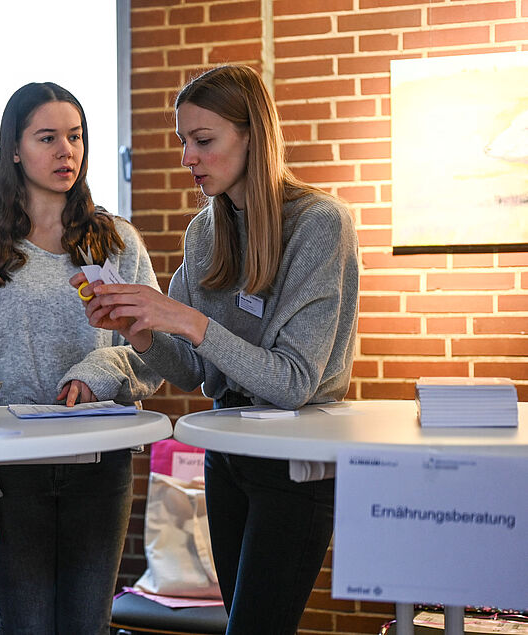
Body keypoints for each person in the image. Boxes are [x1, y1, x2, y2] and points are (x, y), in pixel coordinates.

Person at [78, 65, 359, 634]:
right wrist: (140, 331)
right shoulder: (204, 231)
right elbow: (191, 372)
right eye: (184, 140)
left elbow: (291, 384)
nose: (188, 157)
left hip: (297, 463)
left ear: (253, 135)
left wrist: (187, 319)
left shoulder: (319, 225)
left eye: (203, 140)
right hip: (228, 452)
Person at [0, 82, 163, 634]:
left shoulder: (118, 242)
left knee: (87, 626)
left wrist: (98, 370)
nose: (67, 151)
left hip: (99, 466)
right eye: (48, 138)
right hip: (8, 472)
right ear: (14, 149)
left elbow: (157, 355)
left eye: (76, 136)